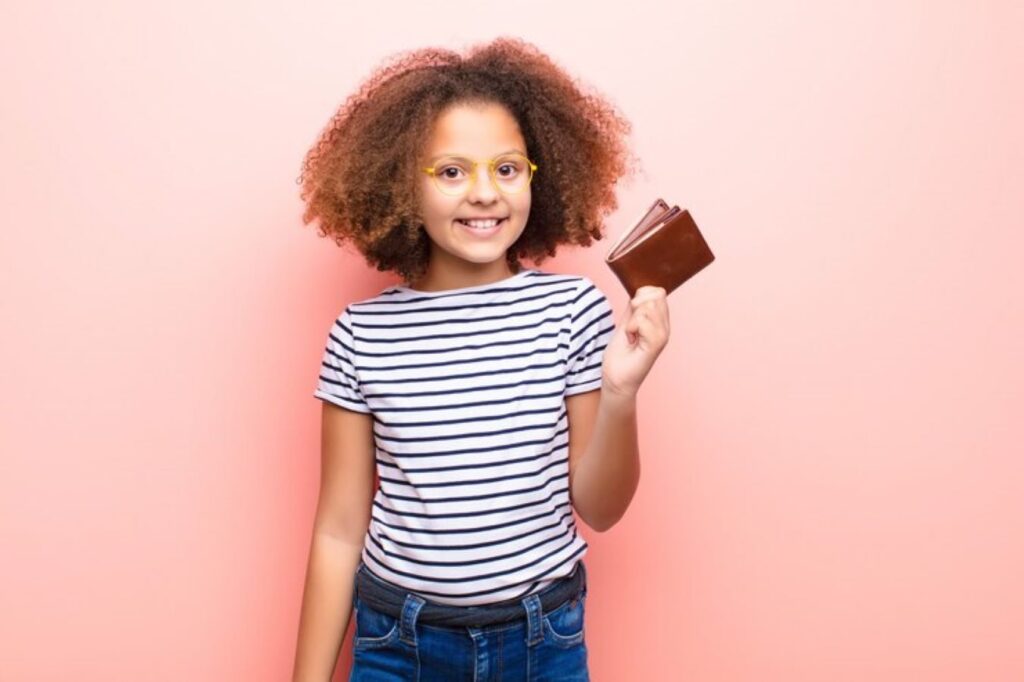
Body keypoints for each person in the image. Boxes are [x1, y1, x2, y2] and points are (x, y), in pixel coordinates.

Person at [291, 36, 671, 682]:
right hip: (399, 642)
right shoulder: (362, 334)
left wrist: (620, 394)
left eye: (506, 168)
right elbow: (338, 527)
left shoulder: (573, 312)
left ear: (536, 174)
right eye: (450, 170)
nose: (484, 193)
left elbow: (600, 508)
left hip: (540, 640)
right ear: (400, 185)